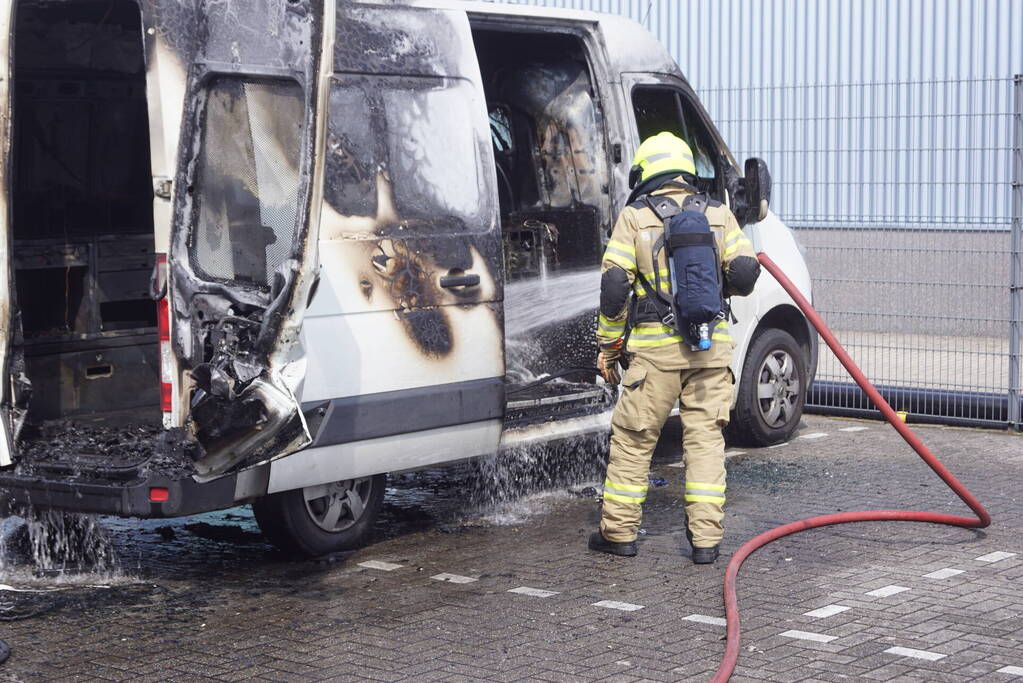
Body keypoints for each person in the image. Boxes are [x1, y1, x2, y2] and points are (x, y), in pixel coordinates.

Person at [589, 132, 761, 564]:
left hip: (654, 355)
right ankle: (705, 542)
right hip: (711, 353)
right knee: (705, 443)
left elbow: (614, 286)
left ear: (645, 172)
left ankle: (619, 534)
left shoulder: (634, 217)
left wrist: (609, 345)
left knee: (634, 441)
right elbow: (744, 273)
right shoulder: (719, 215)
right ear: (686, 170)